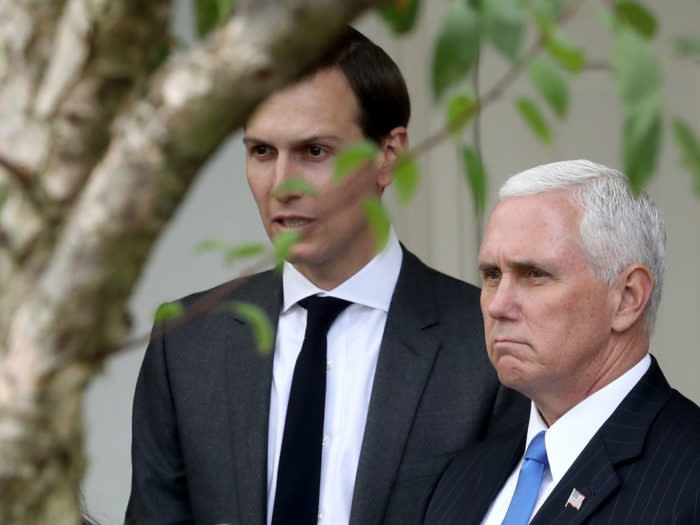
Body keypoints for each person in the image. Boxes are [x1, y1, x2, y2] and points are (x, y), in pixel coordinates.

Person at [126, 27, 525, 525]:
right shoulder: (185, 342)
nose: (282, 185)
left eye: (314, 151)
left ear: (389, 154)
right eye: (262, 152)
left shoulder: (490, 340)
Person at [426, 159, 700, 525]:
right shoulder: (462, 476)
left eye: (535, 274)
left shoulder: (689, 474)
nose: (497, 304)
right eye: (492, 274)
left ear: (628, 297)